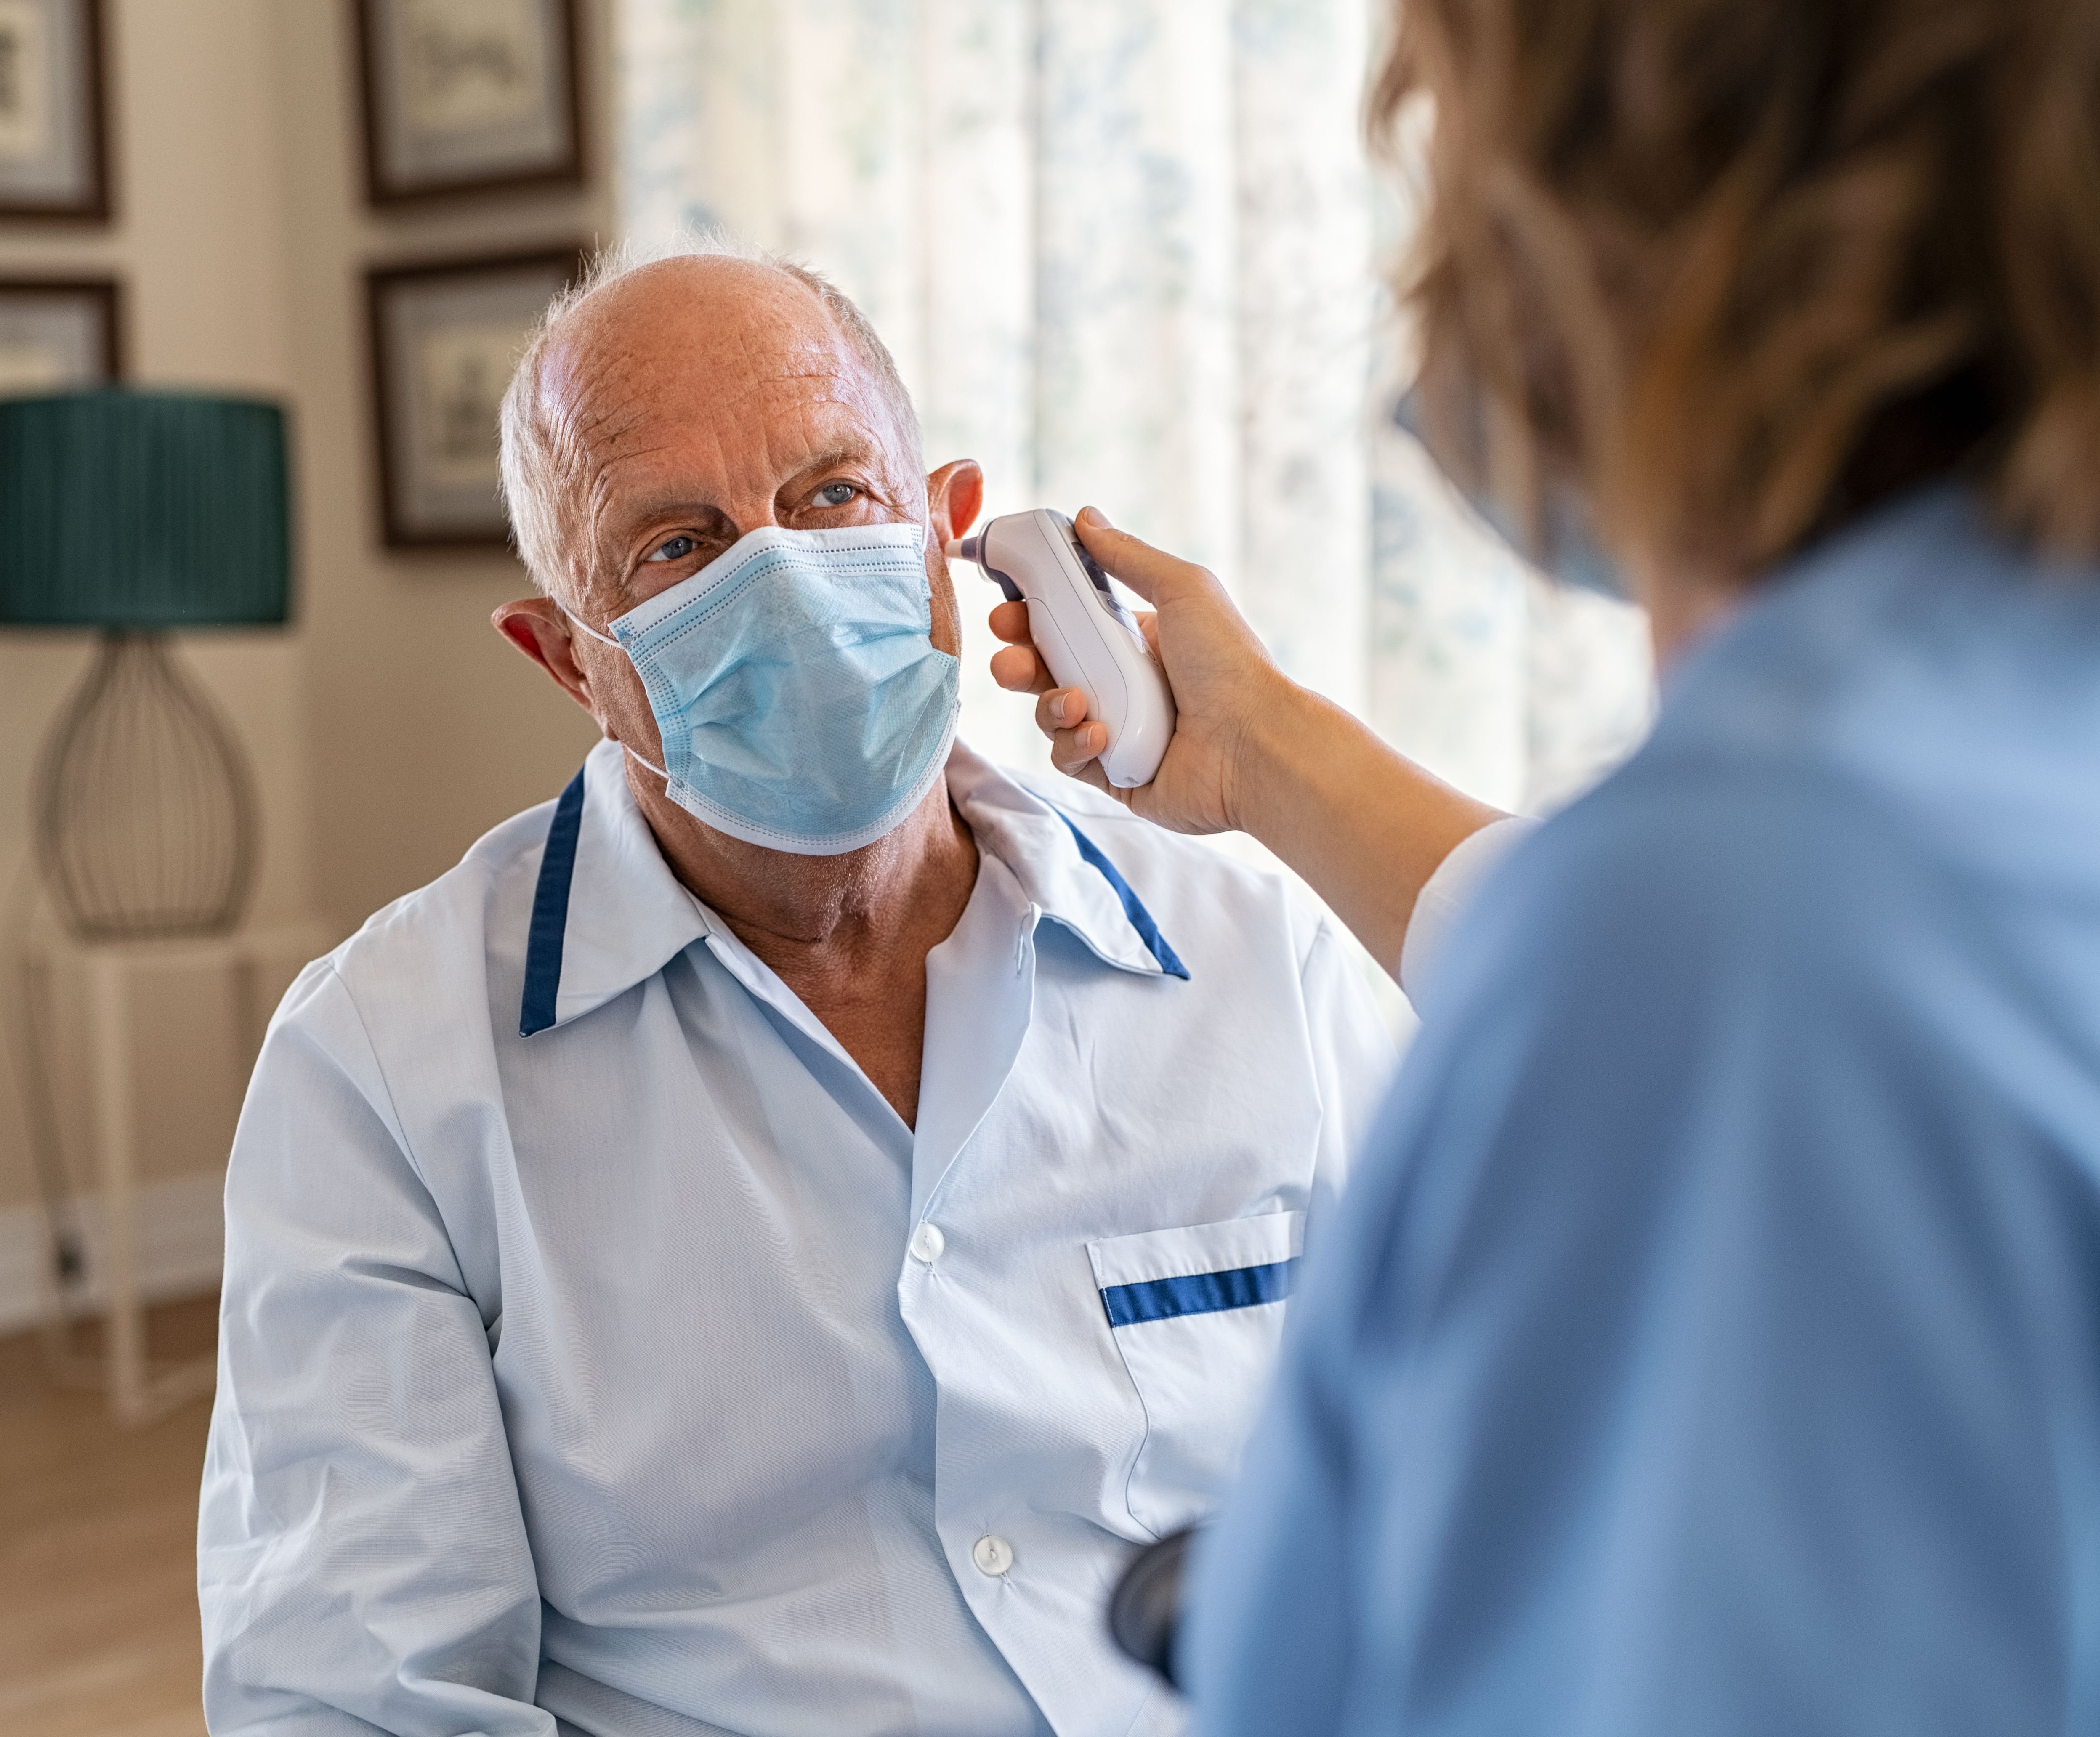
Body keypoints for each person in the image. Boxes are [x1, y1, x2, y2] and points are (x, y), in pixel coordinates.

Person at [990, 1, 2100, 1730]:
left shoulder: (1729, 933)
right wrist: (1267, 753)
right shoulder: (1962, 767)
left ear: (1611, 216)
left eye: (1436, 129)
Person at [196, 243, 1399, 1737]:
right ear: (571, 660)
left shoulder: (1252, 954)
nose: (785, 575)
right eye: (678, 547)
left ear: (953, 532)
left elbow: (1500, 1473)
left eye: (834, 495)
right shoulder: (383, 1067)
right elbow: (358, 1703)